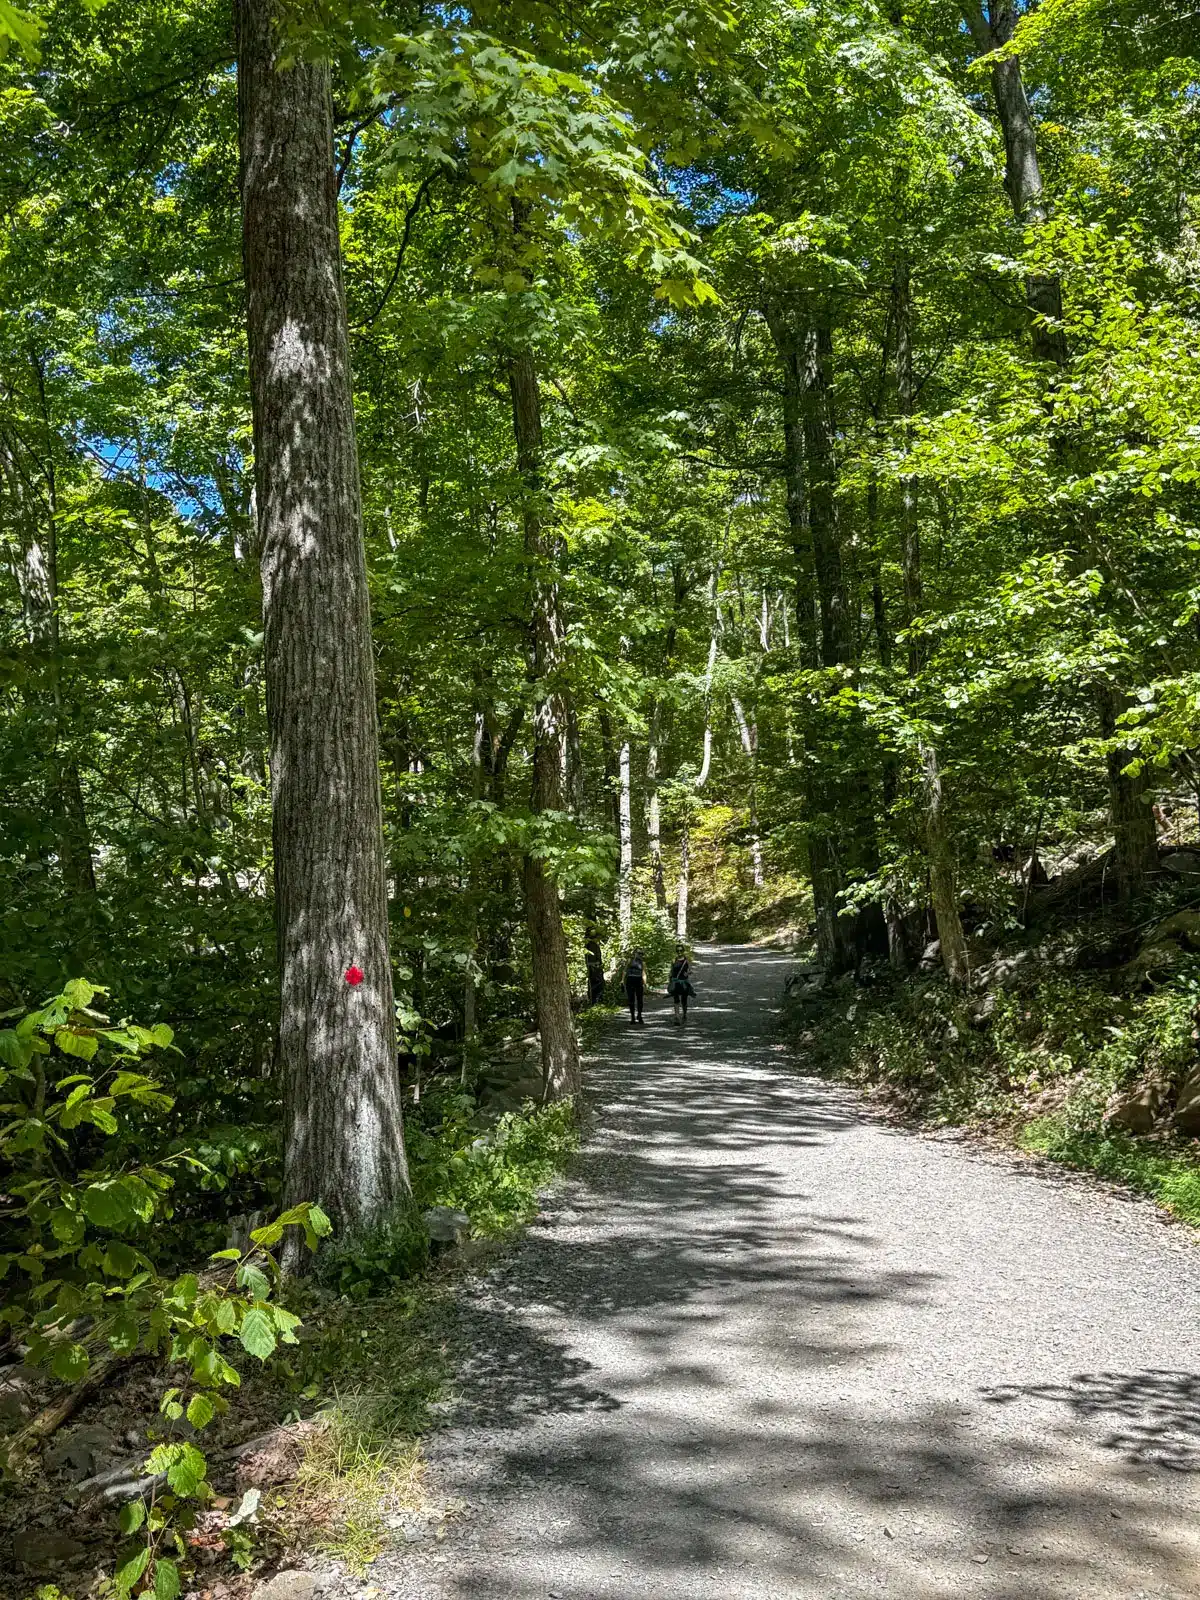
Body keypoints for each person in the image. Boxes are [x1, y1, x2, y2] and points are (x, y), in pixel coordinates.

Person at [668, 943, 695, 1024]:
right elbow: (671, 971)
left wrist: (688, 973)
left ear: (683, 951)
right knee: (676, 1000)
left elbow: (690, 970)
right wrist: (670, 981)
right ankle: (677, 1016)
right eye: (677, 951)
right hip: (675, 982)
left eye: (680, 950)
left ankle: (684, 1014)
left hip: (684, 982)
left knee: (684, 1000)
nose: (679, 952)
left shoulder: (686, 960)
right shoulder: (673, 960)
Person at [624, 948, 646, 1025]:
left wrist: (645, 983)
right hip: (630, 980)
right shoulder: (630, 961)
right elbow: (625, 971)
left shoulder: (642, 963)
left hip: (639, 980)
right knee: (631, 999)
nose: (640, 955)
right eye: (639, 953)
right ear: (635, 953)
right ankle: (632, 1017)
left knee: (640, 999)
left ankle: (639, 1015)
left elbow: (644, 973)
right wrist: (622, 980)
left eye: (641, 954)